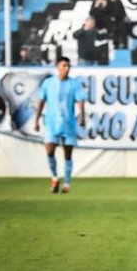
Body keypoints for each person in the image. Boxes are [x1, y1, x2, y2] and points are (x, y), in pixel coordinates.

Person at [33, 56, 87, 193]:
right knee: (50, 151)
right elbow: (41, 101)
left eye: (68, 66)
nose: (67, 68)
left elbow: (80, 100)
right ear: (58, 67)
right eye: (64, 65)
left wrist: (82, 116)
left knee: (67, 154)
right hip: (51, 123)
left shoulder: (75, 84)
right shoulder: (48, 83)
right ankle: (54, 177)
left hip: (68, 123)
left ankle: (67, 183)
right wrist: (36, 119)